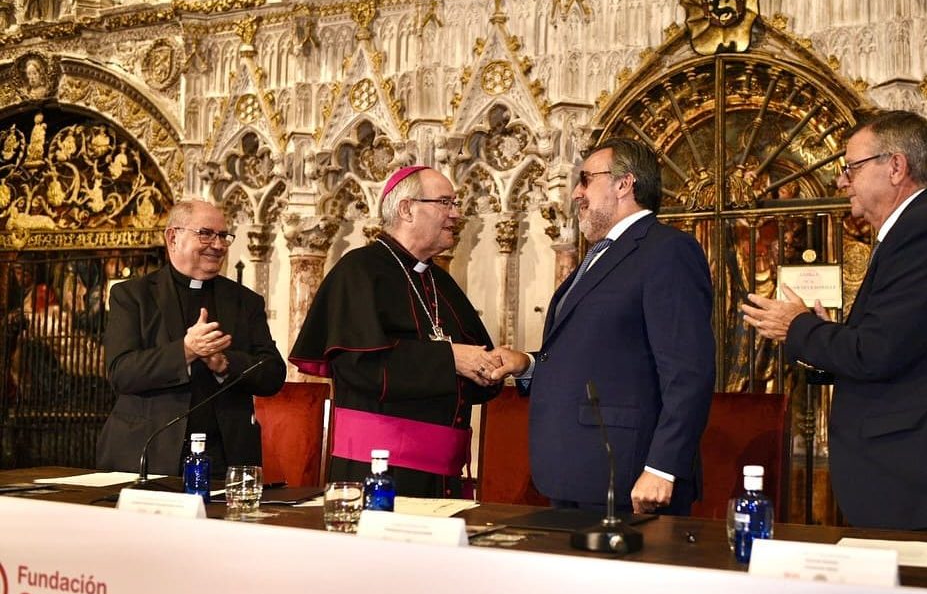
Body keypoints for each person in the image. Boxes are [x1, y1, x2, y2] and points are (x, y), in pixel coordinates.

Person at [740, 110, 927, 534]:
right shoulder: (917, 229)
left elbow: (876, 353)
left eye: (851, 167)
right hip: (916, 482)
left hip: (926, 484)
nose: (841, 181)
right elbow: (895, 346)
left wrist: (797, 327)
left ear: (895, 167)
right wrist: (821, 332)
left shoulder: (925, 233)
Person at [489, 138, 715, 515]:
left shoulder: (667, 251)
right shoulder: (601, 255)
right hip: (578, 471)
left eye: (585, 179)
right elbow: (598, 354)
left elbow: (689, 372)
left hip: (628, 477)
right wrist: (527, 365)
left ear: (624, 184)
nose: (577, 192)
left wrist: (662, 466)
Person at [289, 166, 502, 498]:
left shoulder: (440, 282)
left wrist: (488, 369)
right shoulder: (357, 271)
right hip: (377, 470)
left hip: (443, 474)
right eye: (446, 203)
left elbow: (475, 363)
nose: (456, 214)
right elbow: (357, 367)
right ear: (406, 209)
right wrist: (449, 359)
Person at [97, 200, 286, 476]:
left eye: (223, 236)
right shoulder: (133, 296)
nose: (218, 245)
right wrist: (186, 351)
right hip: (149, 454)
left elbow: (272, 374)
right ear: (173, 237)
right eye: (206, 234)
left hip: (225, 456)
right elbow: (121, 372)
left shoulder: (245, 302)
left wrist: (224, 363)